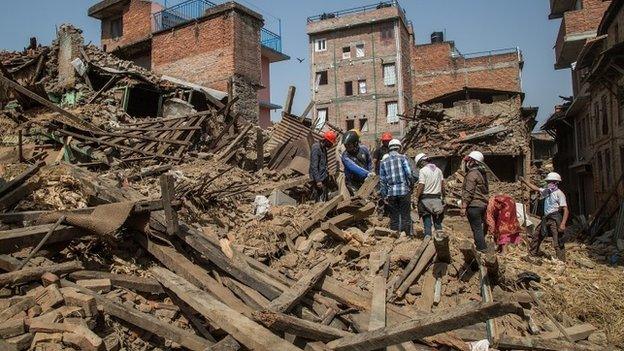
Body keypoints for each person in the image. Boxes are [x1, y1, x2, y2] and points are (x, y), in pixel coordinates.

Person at [524, 172, 569, 261]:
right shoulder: (547, 191)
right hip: (546, 218)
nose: (549, 183)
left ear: (556, 183)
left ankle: (561, 260)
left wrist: (563, 224)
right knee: (537, 235)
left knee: (558, 241)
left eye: (551, 182)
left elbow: (566, 210)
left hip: (555, 218)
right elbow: (535, 188)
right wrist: (525, 182)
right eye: (548, 182)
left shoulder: (559, 194)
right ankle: (533, 254)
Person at [379, 139, 413, 235]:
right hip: (404, 191)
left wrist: (384, 195)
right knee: (405, 215)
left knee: (394, 216)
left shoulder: (383, 162)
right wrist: (411, 185)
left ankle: (395, 235)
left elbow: (382, 181)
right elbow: (409, 174)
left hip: (391, 193)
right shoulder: (403, 158)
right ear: (399, 147)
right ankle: (406, 236)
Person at [460, 150, 489, 251]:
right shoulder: (482, 174)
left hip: (474, 205)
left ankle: (482, 249)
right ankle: (481, 246)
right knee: (479, 228)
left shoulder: (472, 174)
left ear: (473, 161)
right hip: (483, 204)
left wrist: (464, 206)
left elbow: (469, 191)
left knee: (476, 229)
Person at [413, 153, 445, 238]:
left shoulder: (423, 171)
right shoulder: (439, 170)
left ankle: (427, 239)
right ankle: (441, 241)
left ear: (421, 162)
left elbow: (421, 185)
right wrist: (444, 197)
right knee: (437, 222)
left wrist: (416, 197)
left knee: (427, 222)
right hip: (437, 199)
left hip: (425, 200)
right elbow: (442, 185)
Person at [341, 130, 372, 194]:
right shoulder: (345, 156)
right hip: (353, 183)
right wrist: (367, 174)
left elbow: (369, 162)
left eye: (349, 145)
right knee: (356, 200)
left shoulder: (364, 149)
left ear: (355, 143)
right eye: (345, 145)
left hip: (366, 180)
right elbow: (353, 167)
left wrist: (370, 172)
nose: (347, 147)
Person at [309, 130, 337, 202]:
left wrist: (328, 171)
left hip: (323, 177)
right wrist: (318, 181)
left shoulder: (323, 148)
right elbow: (314, 166)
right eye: (331, 143)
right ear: (327, 141)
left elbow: (324, 163)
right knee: (318, 200)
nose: (331, 145)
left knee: (324, 197)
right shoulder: (316, 148)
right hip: (317, 179)